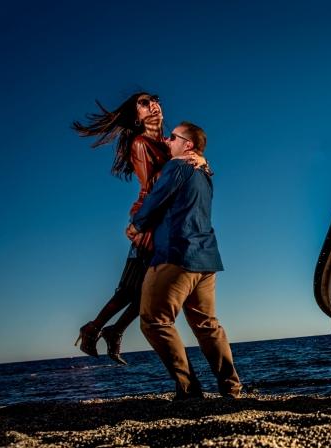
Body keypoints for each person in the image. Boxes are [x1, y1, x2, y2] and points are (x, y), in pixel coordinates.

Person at [71, 92, 207, 364]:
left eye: (153, 99)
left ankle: (114, 330)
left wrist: (201, 160)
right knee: (132, 287)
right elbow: (153, 184)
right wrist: (183, 161)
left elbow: (190, 164)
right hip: (148, 221)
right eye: (143, 103)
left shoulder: (169, 143)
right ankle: (93, 328)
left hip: (167, 220)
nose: (152, 104)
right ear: (137, 117)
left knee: (146, 288)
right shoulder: (141, 143)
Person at [126, 121, 242, 400]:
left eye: (173, 137)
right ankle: (232, 389)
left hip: (176, 254)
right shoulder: (204, 174)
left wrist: (137, 225)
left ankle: (189, 390)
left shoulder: (178, 166)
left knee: (154, 321)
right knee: (207, 326)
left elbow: (156, 199)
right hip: (206, 258)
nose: (167, 140)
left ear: (187, 145)